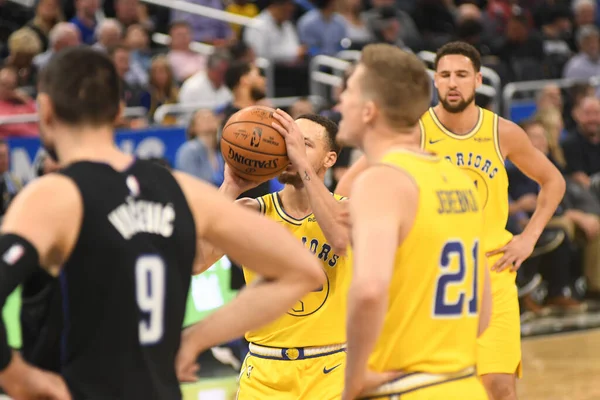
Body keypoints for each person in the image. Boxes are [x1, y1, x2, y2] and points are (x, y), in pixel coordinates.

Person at [0, 46, 325, 400]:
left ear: (44, 110)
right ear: (120, 110)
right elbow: (303, 271)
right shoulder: (179, 189)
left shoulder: (53, 196)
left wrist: (21, 380)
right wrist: (195, 339)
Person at [337, 41, 566, 400]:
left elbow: (553, 180)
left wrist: (528, 237)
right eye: (444, 75)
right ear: (434, 82)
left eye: (461, 75)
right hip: (430, 276)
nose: (452, 83)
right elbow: (346, 189)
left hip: (491, 270)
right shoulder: (414, 131)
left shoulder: (501, 132)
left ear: (477, 80)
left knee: (500, 387)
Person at [336, 43, 492, 400]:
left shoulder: (380, 180)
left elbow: (370, 290)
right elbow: (483, 314)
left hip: (409, 389)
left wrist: (353, 381)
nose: (340, 100)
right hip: (464, 384)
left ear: (369, 111)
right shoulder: (457, 179)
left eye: (348, 91)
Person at [179, 111, 352, 399]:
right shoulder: (253, 211)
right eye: (287, 142)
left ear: (329, 159)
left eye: (303, 144)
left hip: (332, 370)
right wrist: (230, 187)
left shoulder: (348, 211)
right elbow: (198, 261)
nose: (290, 150)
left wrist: (302, 166)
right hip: (264, 372)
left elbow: (340, 236)